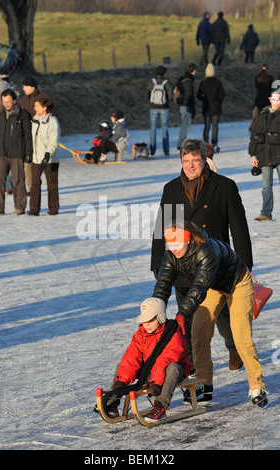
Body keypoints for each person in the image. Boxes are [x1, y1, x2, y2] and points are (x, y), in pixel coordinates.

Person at [151, 139, 253, 372]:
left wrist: (245, 263)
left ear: (204, 160)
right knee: (186, 314)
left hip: (217, 262)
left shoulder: (224, 186)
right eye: (185, 161)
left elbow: (239, 228)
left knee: (224, 315)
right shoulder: (173, 189)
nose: (190, 166)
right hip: (183, 262)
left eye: (195, 160)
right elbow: (162, 227)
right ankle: (191, 360)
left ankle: (234, 348)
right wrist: (158, 262)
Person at [153, 221, 268, 409]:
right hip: (214, 286)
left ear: (188, 240)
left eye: (177, 244)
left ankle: (257, 386)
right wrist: (155, 310)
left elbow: (199, 287)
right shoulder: (171, 256)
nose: (174, 249)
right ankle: (204, 383)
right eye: (170, 245)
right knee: (199, 333)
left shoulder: (205, 250)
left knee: (240, 337)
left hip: (238, 283)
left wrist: (182, 314)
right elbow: (163, 282)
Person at [100, 297, 192, 423]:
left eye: (150, 320)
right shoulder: (141, 333)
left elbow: (164, 361)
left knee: (173, 367)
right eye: (144, 320)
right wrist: (120, 384)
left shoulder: (173, 333)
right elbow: (132, 356)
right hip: (151, 372)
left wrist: (156, 384)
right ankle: (113, 403)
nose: (146, 324)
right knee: (122, 365)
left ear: (160, 317)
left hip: (169, 374)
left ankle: (160, 407)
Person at [0, 89, 32, 215]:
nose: (6, 104)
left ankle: (20, 207)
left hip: (17, 153)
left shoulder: (23, 114)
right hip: (1, 153)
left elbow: (28, 136)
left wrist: (28, 152)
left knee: (18, 180)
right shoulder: (0, 114)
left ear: (14, 100)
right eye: (4, 102)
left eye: (8, 102)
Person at [27, 93, 60, 216]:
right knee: (35, 183)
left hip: (50, 159)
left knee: (52, 185)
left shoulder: (53, 121)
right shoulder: (34, 120)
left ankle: (53, 209)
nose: (34, 108)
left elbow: (54, 141)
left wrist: (47, 155)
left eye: (37, 106)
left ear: (44, 107)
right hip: (36, 158)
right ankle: (34, 209)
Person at [249, 89, 280, 222]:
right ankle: (265, 213)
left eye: (279, 99)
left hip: (279, 154)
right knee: (266, 187)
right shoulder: (262, 115)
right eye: (274, 99)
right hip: (264, 154)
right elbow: (254, 136)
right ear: (270, 99)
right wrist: (253, 155)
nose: (277, 102)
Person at [18, 76, 41, 192]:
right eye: (22, 86)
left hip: (38, 139)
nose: (23, 89)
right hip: (23, 138)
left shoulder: (43, 98)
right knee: (22, 165)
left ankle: (34, 189)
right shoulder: (21, 100)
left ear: (33, 87)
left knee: (32, 167)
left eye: (25, 86)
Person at [197, 63, 225, 153]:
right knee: (215, 126)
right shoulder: (218, 82)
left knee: (207, 125)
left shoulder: (203, 83)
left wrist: (204, 99)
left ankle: (205, 143)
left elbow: (198, 95)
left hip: (206, 107)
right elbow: (222, 95)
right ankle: (214, 143)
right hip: (216, 107)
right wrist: (218, 101)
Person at [147, 65, 173, 156]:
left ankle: (152, 150)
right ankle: (166, 151)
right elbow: (170, 95)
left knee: (153, 129)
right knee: (164, 129)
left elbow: (148, 93)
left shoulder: (152, 81)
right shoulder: (166, 82)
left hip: (153, 107)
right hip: (164, 107)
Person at [175, 63, 197, 149]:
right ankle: (180, 143)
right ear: (193, 71)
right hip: (186, 106)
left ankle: (182, 142)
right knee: (186, 127)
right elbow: (189, 95)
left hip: (182, 106)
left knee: (185, 125)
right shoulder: (188, 81)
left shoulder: (183, 78)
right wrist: (192, 108)